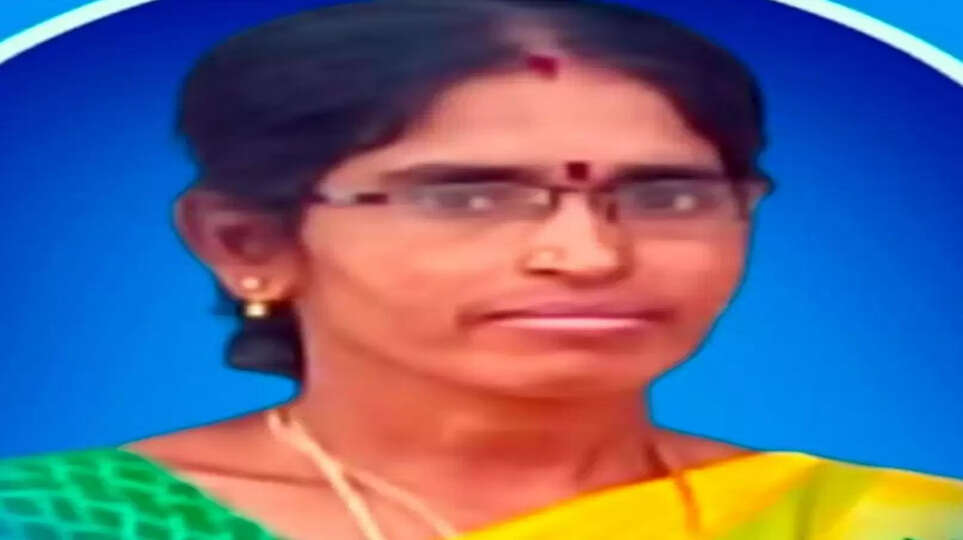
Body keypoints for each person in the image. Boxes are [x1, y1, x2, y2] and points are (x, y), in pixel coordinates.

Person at [1, 1, 961, 539]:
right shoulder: (59, 523)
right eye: (465, 197)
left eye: (666, 196)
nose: (589, 257)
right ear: (247, 243)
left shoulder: (886, 527)